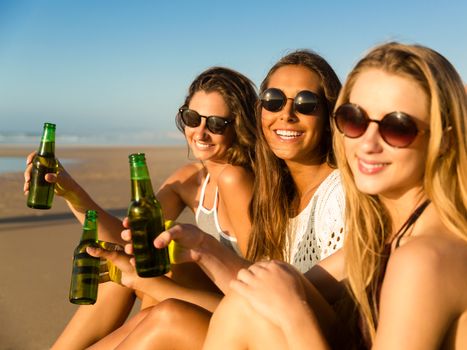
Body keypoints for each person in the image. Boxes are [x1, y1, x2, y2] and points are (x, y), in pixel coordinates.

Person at [203, 42, 467, 350]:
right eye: (354, 119)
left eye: (397, 127)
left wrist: (294, 318)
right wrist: (201, 248)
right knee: (248, 303)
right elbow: (268, 288)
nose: (367, 143)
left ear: (445, 140)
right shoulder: (384, 234)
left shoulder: (423, 258)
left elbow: (287, 301)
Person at [86, 49, 346, 349]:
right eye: (273, 100)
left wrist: (162, 275)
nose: (286, 114)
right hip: (260, 327)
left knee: (168, 314)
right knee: (161, 294)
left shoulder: (339, 195)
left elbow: (276, 296)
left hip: (309, 339)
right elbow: (258, 293)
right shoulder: (276, 194)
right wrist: (202, 248)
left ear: (330, 116)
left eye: (306, 104)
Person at [23, 66, 258, 349]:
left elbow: (254, 290)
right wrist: (72, 191)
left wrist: (150, 284)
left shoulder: (235, 179)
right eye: (192, 118)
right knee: (124, 262)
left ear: (239, 126)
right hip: (213, 302)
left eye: (217, 124)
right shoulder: (189, 178)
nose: (200, 132)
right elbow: (129, 238)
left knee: (149, 278)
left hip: (242, 318)